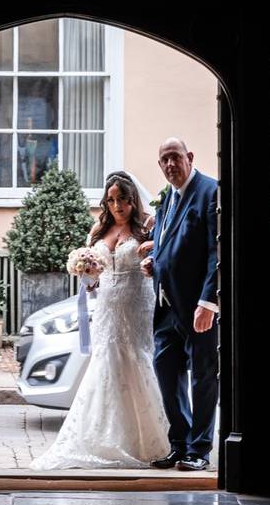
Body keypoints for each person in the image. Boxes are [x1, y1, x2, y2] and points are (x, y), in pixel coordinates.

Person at [29, 171, 169, 469]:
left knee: (137, 359)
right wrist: (87, 271)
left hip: (136, 304)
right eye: (112, 200)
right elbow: (92, 284)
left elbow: (164, 260)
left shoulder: (148, 226)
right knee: (106, 363)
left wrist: (152, 256)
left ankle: (150, 441)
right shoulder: (97, 230)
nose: (117, 206)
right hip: (107, 307)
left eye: (123, 200)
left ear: (133, 200)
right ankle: (104, 437)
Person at [140, 137, 219, 472]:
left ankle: (199, 450)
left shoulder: (210, 192)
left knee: (202, 376)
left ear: (189, 156)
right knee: (166, 372)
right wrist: (154, 259)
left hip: (197, 305)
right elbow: (168, 241)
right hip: (165, 305)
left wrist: (209, 301)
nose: (170, 165)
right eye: (164, 160)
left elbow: (218, 251)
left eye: (175, 158)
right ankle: (179, 444)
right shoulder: (167, 198)